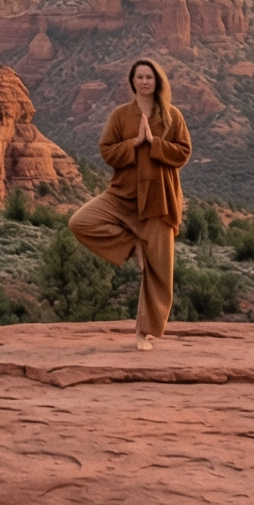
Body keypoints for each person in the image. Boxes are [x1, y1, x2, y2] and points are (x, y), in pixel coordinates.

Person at [67, 57, 192, 349]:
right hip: (122, 194)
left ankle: (144, 333)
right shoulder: (121, 115)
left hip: (158, 200)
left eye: (149, 77)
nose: (144, 82)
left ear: (157, 81)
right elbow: (107, 151)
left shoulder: (172, 116)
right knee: (80, 222)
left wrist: (154, 143)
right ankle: (131, 243)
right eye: (140, 77)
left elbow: (183, 152)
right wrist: (134, 144)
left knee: (159, 271)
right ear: (132, 82)